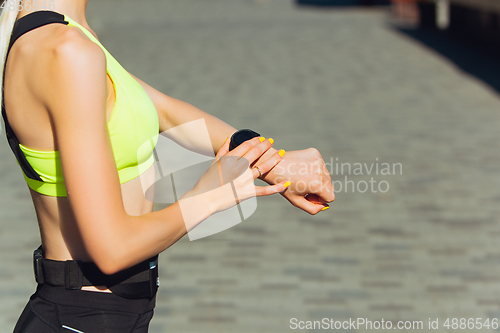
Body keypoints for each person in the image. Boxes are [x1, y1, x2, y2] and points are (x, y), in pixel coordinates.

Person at [0, 1, 335, 332]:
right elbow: (113, 249)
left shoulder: (69, 33)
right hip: (82, 317)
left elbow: (162, 110)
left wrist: (275, 162)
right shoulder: (65, 51)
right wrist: (209, 196)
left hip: (108, 314)